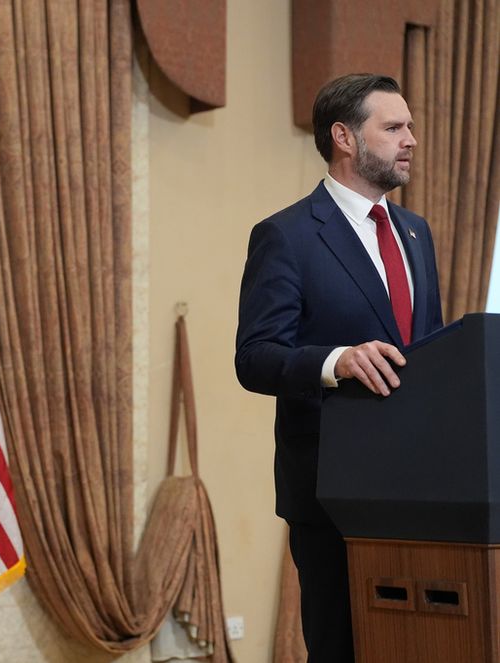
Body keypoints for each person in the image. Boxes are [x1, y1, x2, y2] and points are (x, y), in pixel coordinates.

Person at [235, 73, 443, 661]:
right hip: (332, 490)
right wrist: (336, 361)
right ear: (344, 137)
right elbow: (254, 357)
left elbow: (429, 351)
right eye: (394, 127)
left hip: (424, 488)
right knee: (343, 648)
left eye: (409, 125)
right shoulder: (287, 236)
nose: (412, 139)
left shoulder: (415, 232)